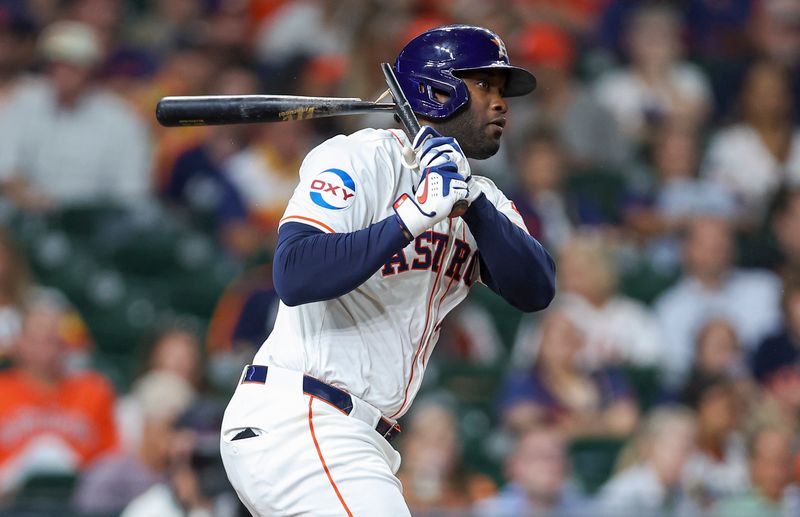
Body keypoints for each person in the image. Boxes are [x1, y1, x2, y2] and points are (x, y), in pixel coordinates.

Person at [219, 25, 555, 516]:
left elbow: (536, 289)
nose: (501, 104)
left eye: (502, 91)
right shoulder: (359, 157)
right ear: (437, 90)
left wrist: (469, 202)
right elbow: (294, 274)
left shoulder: (483, 195)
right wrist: (411, 216)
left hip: (362, 438)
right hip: (304, 416)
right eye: (486, 86)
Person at [0, 291, 118, 495]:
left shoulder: (94, 389)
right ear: (20, 343)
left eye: (54, 336)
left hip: (78, 503)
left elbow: (111, 462)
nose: (48, 344)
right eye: (38, 337)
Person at [473, 424, 592, 517]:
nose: (549, 465)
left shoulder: (586, 510)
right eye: (538, 455)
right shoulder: (488, 513)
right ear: (514, 466)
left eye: (555, 457)